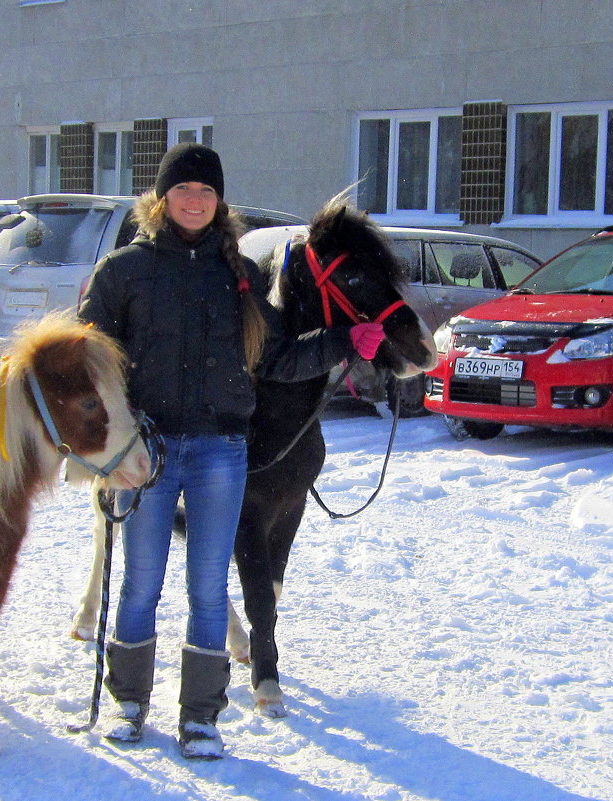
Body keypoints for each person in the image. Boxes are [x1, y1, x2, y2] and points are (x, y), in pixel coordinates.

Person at [77, 142, 386, 760]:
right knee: (140, 583)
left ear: (219, 203)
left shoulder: (237, 275)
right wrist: (106, 438)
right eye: (184, 190)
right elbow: (90, 364)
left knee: (210, 588)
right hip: (150, 450)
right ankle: (130, 704)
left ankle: (201, 716)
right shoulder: (123, 272)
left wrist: (343, 340)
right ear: (162, 198)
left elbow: (274, 358)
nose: (195, 200)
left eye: (207, 191)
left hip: (222, 448)